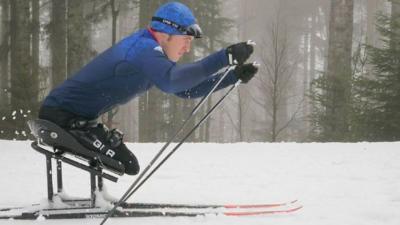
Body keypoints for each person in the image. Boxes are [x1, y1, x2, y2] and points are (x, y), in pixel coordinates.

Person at [38, 2, 258, 176]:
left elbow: (185, 90)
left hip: (78, 119)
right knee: (127, 165)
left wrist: (232, 76)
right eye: (185, 39)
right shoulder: (144, 49)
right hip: (62, 118)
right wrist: (223, 58)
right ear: (165, 34)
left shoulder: (151, 52)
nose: (187, 47)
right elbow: (174, 81)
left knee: (128, 165)